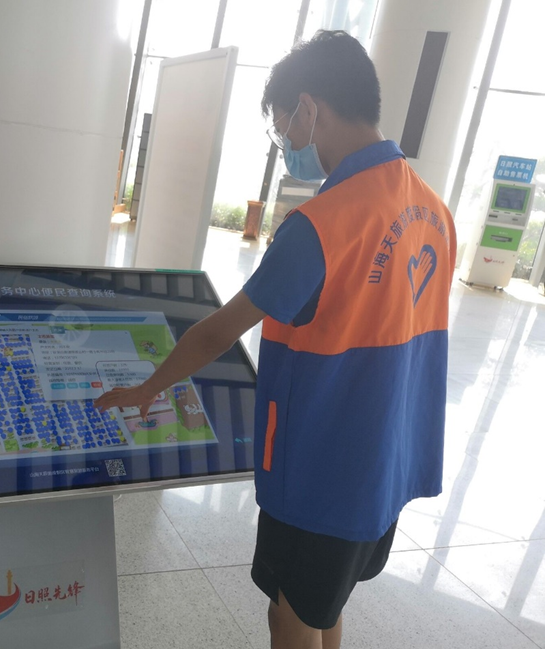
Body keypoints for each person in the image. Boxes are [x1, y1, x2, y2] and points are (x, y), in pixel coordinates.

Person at [94, 30, 457, 649]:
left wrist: (147, 388)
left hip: (322, 463)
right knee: (322, 604)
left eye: (283, 123)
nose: (286, 140)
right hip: (385, 459)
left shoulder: (321, 225)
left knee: (288, 616)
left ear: (310, 109)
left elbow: (217, 332)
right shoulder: (432, 210)